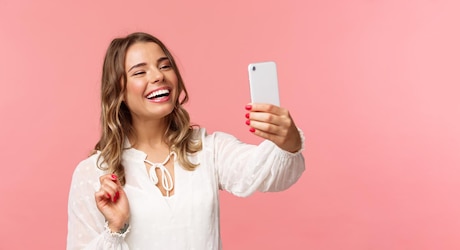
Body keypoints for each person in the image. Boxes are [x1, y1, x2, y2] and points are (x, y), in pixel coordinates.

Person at [67, 32, 305, 250]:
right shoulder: (94, 173)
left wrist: (289, 140)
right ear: (118, 91)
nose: (158, 75)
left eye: (165, 66)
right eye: (140, 72)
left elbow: (267, 173)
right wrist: (116, 228)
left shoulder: (208, 149)